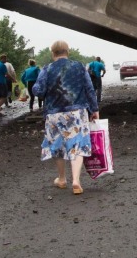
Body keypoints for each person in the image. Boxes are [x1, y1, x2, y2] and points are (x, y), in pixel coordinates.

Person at [32, 40, 100, 196]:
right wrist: (94, 109)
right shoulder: (79, 66)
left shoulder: (47, 69)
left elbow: (39, 90)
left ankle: (62, 179)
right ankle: (76, 180)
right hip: (77, 112)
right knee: (78, 144)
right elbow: (89, 89)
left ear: (53, 53)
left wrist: (36, 87)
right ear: (67, 52)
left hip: (54, 113)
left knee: (57, 145)